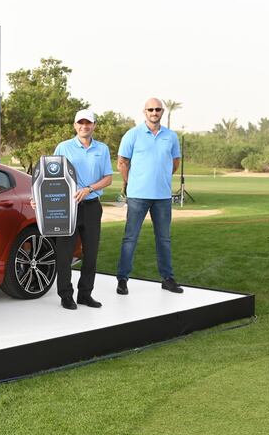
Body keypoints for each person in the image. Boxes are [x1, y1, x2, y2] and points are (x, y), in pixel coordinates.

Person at [116, 98, 184, 295]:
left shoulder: (170, 136)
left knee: (164, 239)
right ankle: (122, 279)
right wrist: (133, 183)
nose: (154, 112)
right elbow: (122, 162)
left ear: (162, 112)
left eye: (157, 109)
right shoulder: (133, 134)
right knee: (130, 238)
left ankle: (168, 279)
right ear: (144, 112)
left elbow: (175, 161)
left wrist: (161, 177)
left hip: (162, 197)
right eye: (151, 109)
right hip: (138, 196)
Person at [47, 109, 113, 310]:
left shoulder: (102, 149)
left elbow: (108, 178)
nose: (84, 126)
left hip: (92, 206)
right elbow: (51, 178)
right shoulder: (63, 147)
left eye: (88, 123)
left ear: (94, 125)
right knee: (65, 253)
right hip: (68, 208)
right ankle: (66, 295)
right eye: (80, 122)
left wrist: (89, 189)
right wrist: (41, 200)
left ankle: (85, 294)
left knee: (91, 253)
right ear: (75, 125)